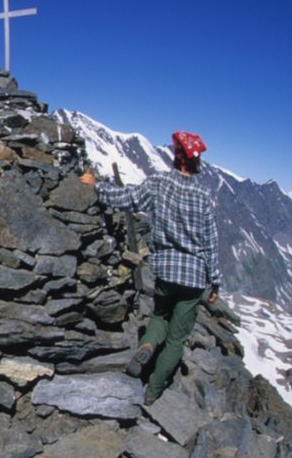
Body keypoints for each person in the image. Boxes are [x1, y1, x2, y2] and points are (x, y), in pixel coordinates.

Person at [80, 131, 222, 406]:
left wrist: (95, 186)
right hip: (194, 277)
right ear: (195, 162)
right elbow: (211, 244)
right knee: (177, 338)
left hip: (166, 270)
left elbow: (127, 198)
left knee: (159, 316)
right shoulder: (205, 196)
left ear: (176, 157)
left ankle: (146, 346)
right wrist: (214, 282)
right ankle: (153, 390)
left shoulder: (158, 183)